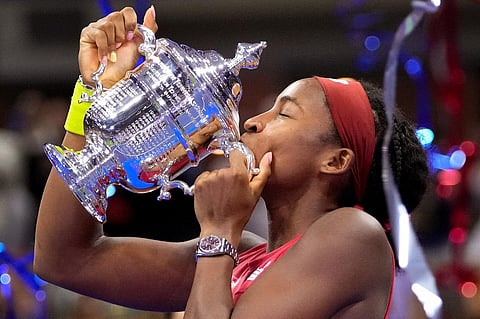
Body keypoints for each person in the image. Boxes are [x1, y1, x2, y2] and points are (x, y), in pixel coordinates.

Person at [33, 6, 429, 319]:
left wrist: (219, 229)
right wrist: (96, 99)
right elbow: (64, 259)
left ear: (336, 160)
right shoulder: (240, 253)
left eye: (284, 114)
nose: (254, 121)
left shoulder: (355, 235)